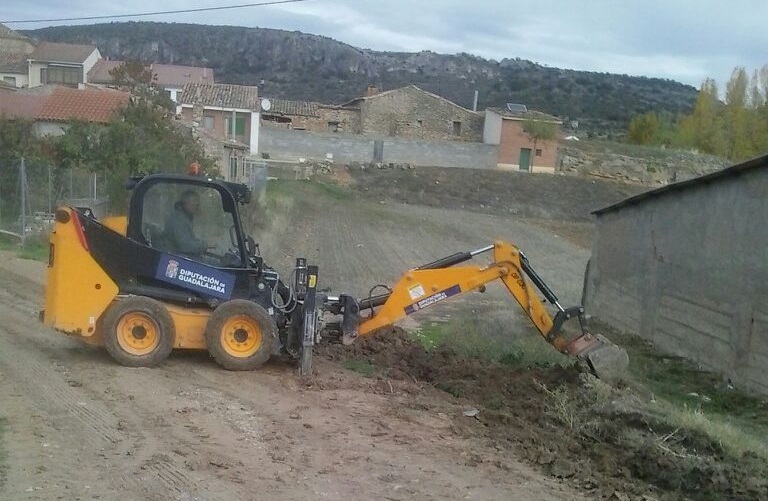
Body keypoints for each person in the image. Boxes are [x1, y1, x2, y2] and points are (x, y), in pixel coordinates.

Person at [163, 190, 208, 256]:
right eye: (196, 205)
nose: (198, 208)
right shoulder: (178, 220)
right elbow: (185, 246)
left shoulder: (185, 217)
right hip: (175, 257)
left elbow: (189, 239)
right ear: (187, 204)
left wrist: (201, 243)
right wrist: (206, 244)